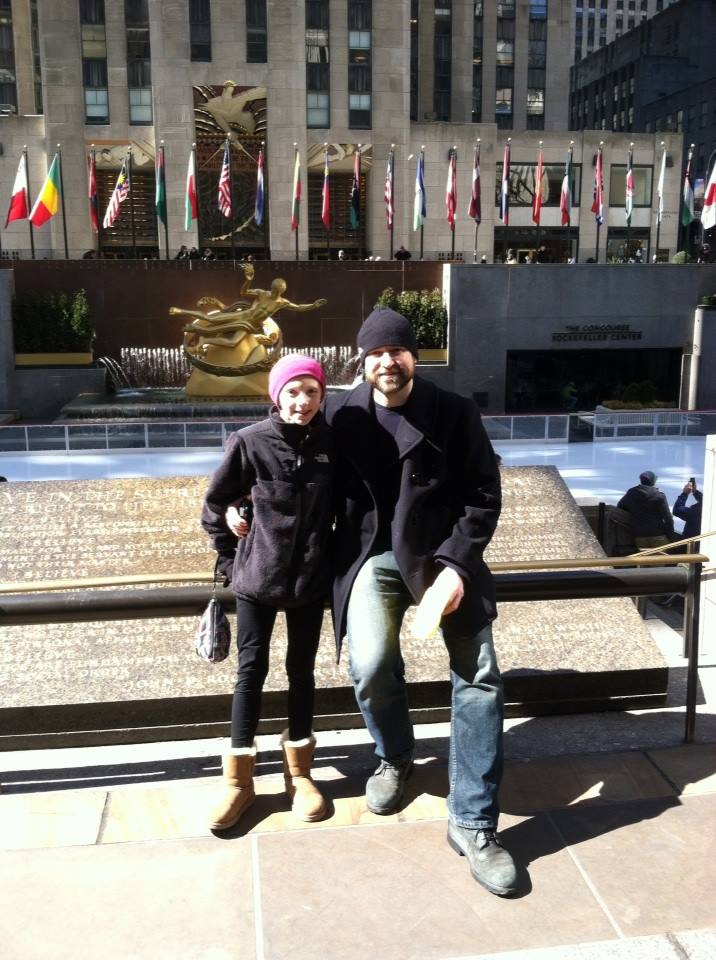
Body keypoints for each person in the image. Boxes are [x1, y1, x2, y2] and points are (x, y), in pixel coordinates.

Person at [325, 307, 517, 897]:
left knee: (479, 678)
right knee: (371, 663)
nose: (388, 361)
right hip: (373, 558)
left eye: (399, 351)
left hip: (440, 556)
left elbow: (484, 494)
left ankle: (474, 822)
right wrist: (239, 507)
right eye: (377, 353)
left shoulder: (454, 412)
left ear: (415, 356)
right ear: (363, 360)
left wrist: (458, 567)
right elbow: (280, 449)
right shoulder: (339, 411)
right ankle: (395, 755)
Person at [201, 355, 334, 831]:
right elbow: (216, 506)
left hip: (309, 582)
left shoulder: (330, 445)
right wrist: (230, 560)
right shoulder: (250, 442)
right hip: (257, 581)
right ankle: (239, 780)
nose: (302, 402)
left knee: (302, 672)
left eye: (311, 392)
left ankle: (300, 772)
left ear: (322, 396)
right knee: (250, 672)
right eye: (293, 392)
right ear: (275, 395)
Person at [617, 470, 674, 549]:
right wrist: (670, 535)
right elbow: (668, 518)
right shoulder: (659, 496)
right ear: (653, 482)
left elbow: (620, 506)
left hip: (639, 536)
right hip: (658, 535)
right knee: (660, 560)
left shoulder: (631, 493)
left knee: (643, 560)